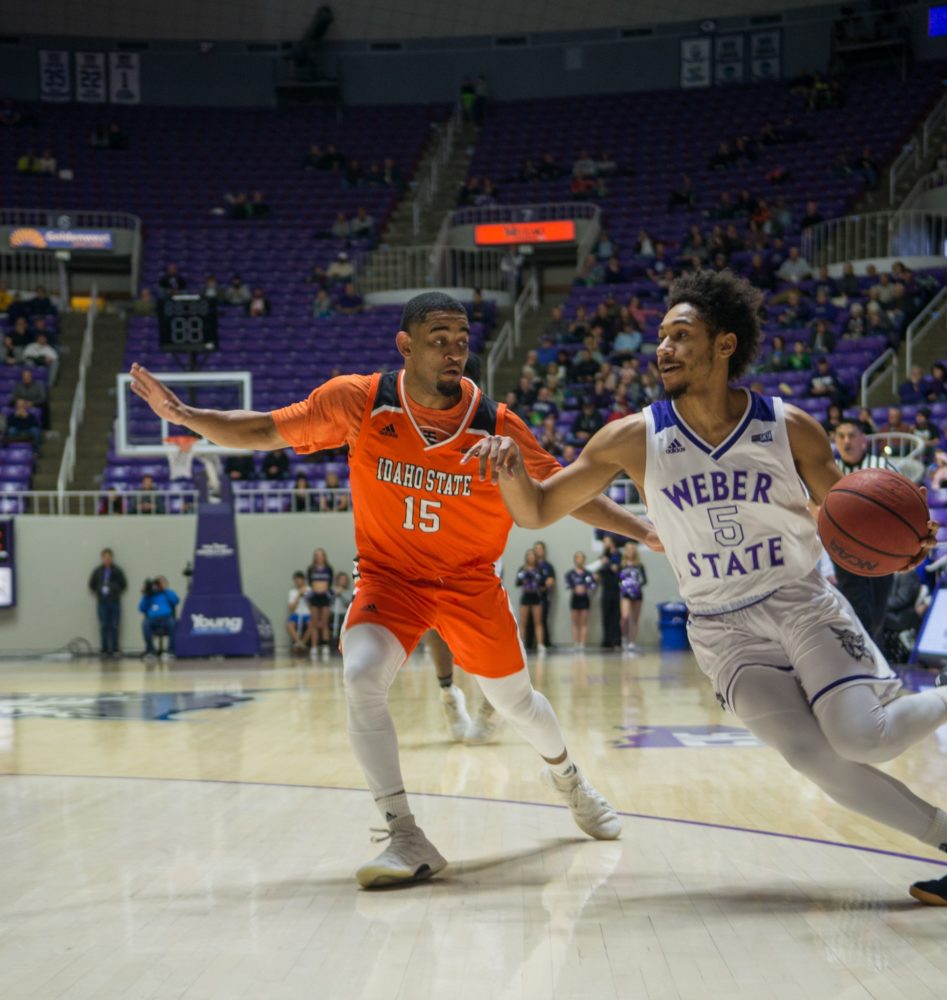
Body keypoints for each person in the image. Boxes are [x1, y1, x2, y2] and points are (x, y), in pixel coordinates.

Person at [466, 268, 947, 905]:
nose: (664, 348)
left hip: (800, 602)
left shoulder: (788, 428)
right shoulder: (633, 437)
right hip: (720, 628)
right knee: (815, 759)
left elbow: (848, 515)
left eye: (681, 335)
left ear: (724, 345)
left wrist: (902, 546)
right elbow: (536, 511)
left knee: (863, 738)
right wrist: (510, 468)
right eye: (662, 337)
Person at [127, 291, 657, 889]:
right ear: (405, 345)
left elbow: (566, 487)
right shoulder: (359, 400)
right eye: (439, 338)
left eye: (461, 339)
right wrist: (188, 417)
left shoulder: (495, 423)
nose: (454, 351)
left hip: (469, 583)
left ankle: (568, 778)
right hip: (391, 577)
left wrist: (640, 528)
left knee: (517, 705)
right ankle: (401, 830)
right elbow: (263, 429)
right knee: (360, 674)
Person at [832, 419, 896, 639]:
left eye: (851, 435)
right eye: (841, 436)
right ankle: (865, 663)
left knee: (878, 611)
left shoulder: (882, 465)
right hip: (845, 549)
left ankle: (876, 659)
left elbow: (900, 503)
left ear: (864, 441)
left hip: (881, 548)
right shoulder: (829, 469)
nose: (846, 441)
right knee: (856, 608)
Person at [88, 548, 127, 657]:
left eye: (109, 557)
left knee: (114, 625)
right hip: (102, 602)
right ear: (102, 558)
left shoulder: (117, 570)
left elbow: (124, 584)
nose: (107, 559)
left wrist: (114, 590)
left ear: (112, 558)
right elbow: (91, 584)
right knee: (104, 625)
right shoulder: (97, 571)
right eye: (105, 557)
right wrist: (99, 591)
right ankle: (104, 649)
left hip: (114, 601)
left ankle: (115, 649)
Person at [138, 576, 179, 660]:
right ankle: (150, 652)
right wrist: (146, 594)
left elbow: (175, 601)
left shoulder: (167, 593)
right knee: (145, 624)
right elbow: (141, 608)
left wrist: (165, 589)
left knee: (173, 623)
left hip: (166, 618)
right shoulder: (150, 596)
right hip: (152, 620)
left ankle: (171, 652)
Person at [516, 548, 547, 653]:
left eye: (532, 555)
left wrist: (537, 585)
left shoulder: (539, 570)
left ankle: (540, 644)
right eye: (528, 555)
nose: (531, 557)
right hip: (525, 596)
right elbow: (518, 583)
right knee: (523, 622)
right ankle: (521, 643)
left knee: (538, 622)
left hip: (536, 596)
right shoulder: (522, 569)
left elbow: (544, 585)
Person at [564, 551, 596, 650]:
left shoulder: (588, 573)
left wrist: (585, 587)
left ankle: (583, 644)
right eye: (578, 557)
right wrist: (575, 588)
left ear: (584, 559)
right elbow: (567, 585)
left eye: (582, 557)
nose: (580, 559)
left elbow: (592, 585)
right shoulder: (570, 573)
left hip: (585, 598)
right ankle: (576, 643)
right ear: (575, 559)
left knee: (584, 622)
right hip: (575, 598)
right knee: (575, 622)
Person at [618, 541, 647, 651]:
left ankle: (632, 642)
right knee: (625, 617)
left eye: (632, 549)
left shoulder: (640, 566)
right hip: (625, 594)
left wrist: (636, 585)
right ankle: (624, 639)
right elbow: (618, 579)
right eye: (628, 549)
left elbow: (644, 580)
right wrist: (625, 586)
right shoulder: (622, 565)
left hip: (637, 593)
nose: (630, 551)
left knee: (635, 619)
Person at [306, 548, 334, 659]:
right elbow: (309, 583)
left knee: (324, 623)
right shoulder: (311, 569)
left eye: (321, 555)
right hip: (314, 597)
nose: (319, 557)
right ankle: (314, 646)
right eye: (316, 555)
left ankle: (325, 646)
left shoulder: (329, 569)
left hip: (325, 597)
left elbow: (330, 583)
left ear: (324, 556)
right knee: (314, 623)